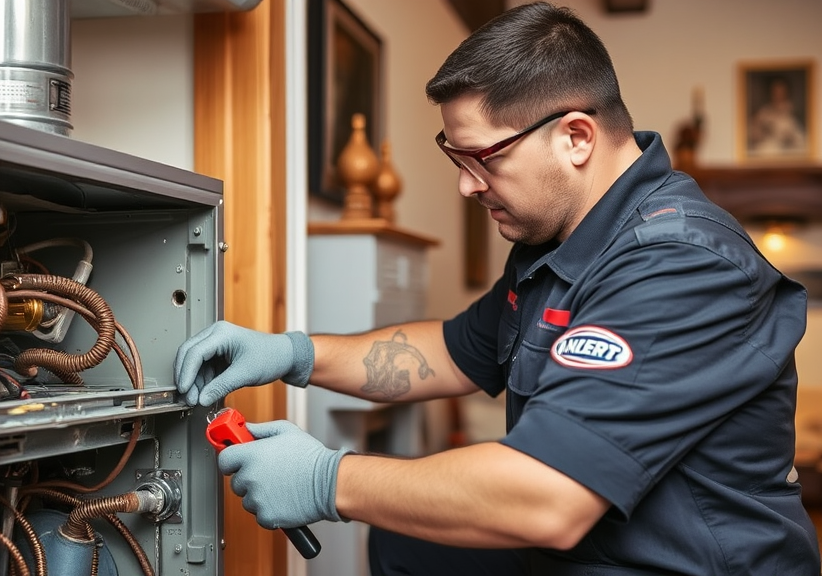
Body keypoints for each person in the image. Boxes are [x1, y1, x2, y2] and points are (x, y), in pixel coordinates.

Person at [174, 3, 822, 574]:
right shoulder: (559, 240)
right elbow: (451, 351)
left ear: (575, 137)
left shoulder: (681, 264)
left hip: (682, 563)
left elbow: (549, 495)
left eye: (483, 159)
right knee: (407, 547)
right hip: (591, 553)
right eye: (456, 160)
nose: (465, 185)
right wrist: (290, 353)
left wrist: (326, 479)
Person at [748, 75, 808, 156]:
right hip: (766, 154)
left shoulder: (795, 113)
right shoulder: (763, 113)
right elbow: (753, 135)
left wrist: (788, 136)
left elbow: (802, 140)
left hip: (790, 154)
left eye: (781, 92)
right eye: (775, 92)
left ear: (787, 92)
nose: (778, 95)